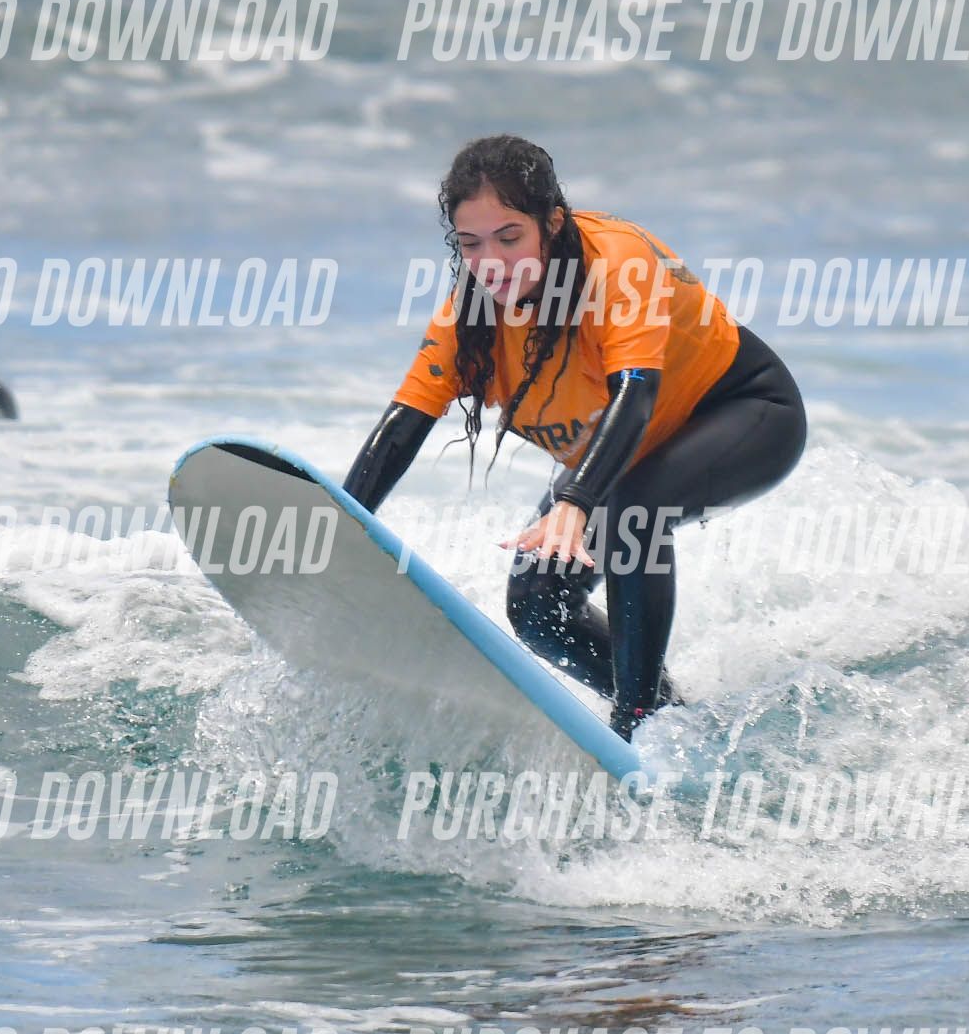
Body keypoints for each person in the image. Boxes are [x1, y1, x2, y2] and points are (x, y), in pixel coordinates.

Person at [343, 134, 806, 738]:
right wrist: (341, 531)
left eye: (510, 237)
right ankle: (672, 717)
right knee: (538, 608)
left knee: (634, 510)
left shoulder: (617, 263)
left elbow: (635, 394)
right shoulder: (472, 318)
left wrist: (576, 500)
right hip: (627, 448)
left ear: (552, 222)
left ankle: (635, 719)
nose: (491, 262)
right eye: (471, 244)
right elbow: (405, 425)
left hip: (744, 410)